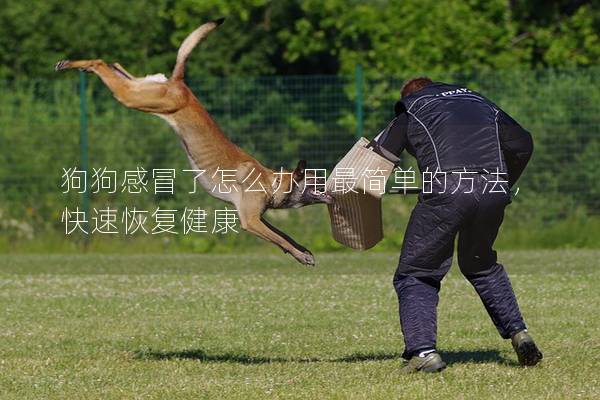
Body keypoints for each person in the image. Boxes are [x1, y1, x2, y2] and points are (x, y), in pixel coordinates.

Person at [371, 77, 542, 373]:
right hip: (493, 188)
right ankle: (519, 334)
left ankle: (424, 352)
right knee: (481, 264)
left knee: (417, 272)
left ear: (408, 95)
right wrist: (504, 183)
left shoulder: (412, 110)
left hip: (447, 191)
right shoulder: (480, 103)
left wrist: (346, 193)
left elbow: (374, 159)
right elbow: (522, 144)